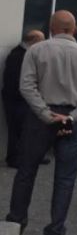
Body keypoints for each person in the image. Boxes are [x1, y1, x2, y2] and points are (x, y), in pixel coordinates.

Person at [6, 10, 77, 235]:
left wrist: (45, 114)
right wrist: (72, 116)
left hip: (40, 118)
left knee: (26, 172)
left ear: (51, 28)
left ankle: (15, 224)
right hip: (73, 119)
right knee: (65, 178)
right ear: (75, 29)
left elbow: (26, 86)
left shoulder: (35, 51)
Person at [2, 29, 45, 168]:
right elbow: (15, 80)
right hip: (17, 99)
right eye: (41, 41)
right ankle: (14, 159)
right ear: (34, 40)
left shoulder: (23, 54)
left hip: (20, 98)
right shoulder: (18, 55)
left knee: (25, 130)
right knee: (17, 130)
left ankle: (28, 157)